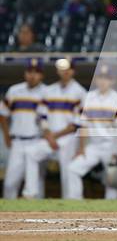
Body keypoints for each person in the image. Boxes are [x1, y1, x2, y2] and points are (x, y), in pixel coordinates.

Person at [25, 58, 86, 199]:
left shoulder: (80, 92)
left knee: (68, 172)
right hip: (50, 137)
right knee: (31, 153)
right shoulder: (49, 90)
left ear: (73, 71)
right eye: (62, 69)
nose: (65, 72)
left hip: (69, 138)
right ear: (58, 71)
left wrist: (54, 136)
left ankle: (72, 203)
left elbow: (77, 124)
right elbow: (41, 116)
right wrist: (48, 134)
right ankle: (31, 194)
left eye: (68, 69)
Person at [67, 65, 117, 199]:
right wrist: (81, 149)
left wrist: (116, 152)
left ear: (112, 81)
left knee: (112, 178)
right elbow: (83, 126)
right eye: (100, 77)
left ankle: (111, 211)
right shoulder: (87, 98)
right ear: (96, 80)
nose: (103, 81)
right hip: (92, 146)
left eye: (107, 78)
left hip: (110, 146)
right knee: (73, 169)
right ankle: (74, 205)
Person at [0, 58, 46, 199]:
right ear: (25, 73)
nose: (32, 75)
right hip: (17, 142)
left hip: (36, 140)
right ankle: (9, 217)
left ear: (41, 75)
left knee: (36, 183)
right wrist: (6, 135)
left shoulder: (47, 91)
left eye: (36, 72)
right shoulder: (14, 90)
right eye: (29, 71)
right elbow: (2, 114)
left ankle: (40, 217)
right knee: (9, 183)